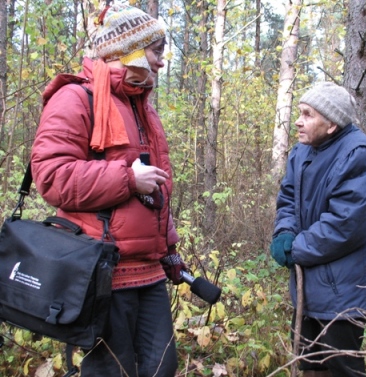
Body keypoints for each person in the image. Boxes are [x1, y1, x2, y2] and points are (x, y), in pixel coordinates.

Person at [31, 4, 185, 377]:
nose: (161, 63)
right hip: (101, 272)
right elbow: (51, 176)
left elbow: (155, 196)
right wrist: (128, 179)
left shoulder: (142, 106)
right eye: (156, 52)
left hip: (148, 271)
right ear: (130, 50)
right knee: (111, 371)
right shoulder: (75, 98)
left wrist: (169, 251)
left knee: (161, 367)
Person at [270, 82, 366, 377]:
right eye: (299, 112)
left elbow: (346, 225)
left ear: (331, 123)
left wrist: (296, 249)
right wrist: (284, 232)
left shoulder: (359, 155)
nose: (298, 120)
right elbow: (287, 199)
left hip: (343, 291)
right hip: (309, 285)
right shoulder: (302, 152)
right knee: (310, 367)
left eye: (307, 114)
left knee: (340, 369)